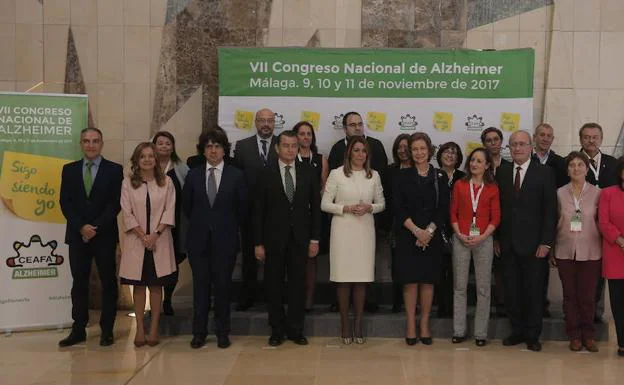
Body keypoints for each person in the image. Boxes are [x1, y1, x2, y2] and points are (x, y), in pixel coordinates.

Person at [254, 131, 321, 346]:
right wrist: (258, 243)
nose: (291, 149)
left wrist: (315, 239)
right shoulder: (265, 173)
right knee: (273, 286)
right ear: (277, 148)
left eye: (294, 146)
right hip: (273, 240)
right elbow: (258, 211)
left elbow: (316, 210)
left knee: (297, 286)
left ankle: (295, 329)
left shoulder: (308, 171)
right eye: (286, 146)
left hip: (300, 239)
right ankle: (276, 330)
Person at [59, 127, 123, 348]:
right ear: (81, 144)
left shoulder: (115, 170)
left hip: (104, 235)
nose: (91, 145)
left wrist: (94, 227)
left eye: (95, 141)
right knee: (79, 283)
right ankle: (78, 329)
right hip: (77, 237)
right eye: (86, 141)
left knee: (108, 283)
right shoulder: (69, 170)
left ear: (102, 144)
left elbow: (115, 204)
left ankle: (107, 330)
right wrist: (81, 227)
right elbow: (65, 203)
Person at [183, 129, 247, 349]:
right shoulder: (193, 174)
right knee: (200, 288)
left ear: (224, 149)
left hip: (226, 241)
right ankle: (199, 332)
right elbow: (188, 207)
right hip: (198, 241)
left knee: (223, 288)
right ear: (203, 150)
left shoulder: (236, 175)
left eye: (217, 146)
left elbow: (242, 210)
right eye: (209, 146)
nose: (213, 150)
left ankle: (222, 332)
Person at [496, 130, 557, 352]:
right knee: (512, 291)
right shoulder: (501, 172)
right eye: (513, 145)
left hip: (535, 246)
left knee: (533, 291)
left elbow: (551, 211)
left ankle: (533, 335)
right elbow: (498, 209)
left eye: (522, 144)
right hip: (508, 243)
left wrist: (546, 242)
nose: (518, 148)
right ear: (509, 148)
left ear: (531, 147)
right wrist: (496, 239)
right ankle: (517, 331)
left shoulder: (545, 173)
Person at [321, 136, 385, 344]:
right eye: (356, 150)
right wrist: (345, 208)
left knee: (361, 279)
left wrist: (370, 207)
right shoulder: (336, 174)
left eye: (363, 151)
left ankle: (358, 324)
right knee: (343, 278)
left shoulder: (373, 175)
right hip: (342, 230)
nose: (360, 154)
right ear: (349, 152)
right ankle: (344, 323)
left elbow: (382, 203)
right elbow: (325, 204)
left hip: (365, 230)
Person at [327, 111, 388, 313]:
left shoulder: (376, 146)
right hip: (343, 224)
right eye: (352, 124)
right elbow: (329, 195)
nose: (357, 127)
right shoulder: (337, 150)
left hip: (367, 222)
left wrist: (371, 207)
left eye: (360, 124)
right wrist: (346, 207)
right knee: (343, 271)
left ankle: (367, 302)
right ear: (344, 128)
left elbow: (381, 186)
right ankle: (341, 304)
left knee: (366, 268)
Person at [393, 132, 449, 346]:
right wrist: (417, 231)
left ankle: (424, 324)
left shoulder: (440, 176)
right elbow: (398, 208)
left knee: (427, 280)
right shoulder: (401, 176)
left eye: (422, 149)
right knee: (410, 280)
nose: (418, 153)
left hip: (431, 236)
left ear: (429, 150)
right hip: (408, 234)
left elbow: (443, 208)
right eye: (414, 149)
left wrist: (429, 231)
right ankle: (410, 324)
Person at [119, 142, 177, 347]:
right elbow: (126, 212)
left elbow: (169, 210)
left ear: (156, 159)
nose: (147, 159)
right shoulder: (128, 183)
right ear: (137, 160)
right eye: (142, 156)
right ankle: (140, 331)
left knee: (155, 285)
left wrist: (155, 235)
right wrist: (143, 235)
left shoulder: (166, 182)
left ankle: (153, 330)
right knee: (139, 285)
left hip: (159, 241)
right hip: (137, 241)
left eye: (150, 156)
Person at [450, 147, 500, 347]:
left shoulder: (492, 188)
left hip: (484, 240)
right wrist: (458, 233)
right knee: (460, 287)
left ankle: (480, 333)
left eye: (479, 161)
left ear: (487, 165)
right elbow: (452, 213)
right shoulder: (460, 185)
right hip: (461, 239)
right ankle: (459, 330)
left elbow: (496, 217)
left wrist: (482, 237)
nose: (474, 164)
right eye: (472, 160)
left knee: (483, 288)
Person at [553, 152, 602, 352]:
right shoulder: (559, 193)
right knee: (570, 296)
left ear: (587, 168)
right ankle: (574, 335)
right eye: (571, 165)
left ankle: (588, 335)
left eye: (580, 164)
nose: (576, 168)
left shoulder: (598, 193)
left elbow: (601, 222)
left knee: (588, 296)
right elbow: (554, 221)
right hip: (565, 250)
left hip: (591, 251)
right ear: (567, 170)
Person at [234, 108, 278, 310]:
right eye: (262, 120)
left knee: (276, 258)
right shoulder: (242, 147)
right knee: (250, 257)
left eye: (270, 120)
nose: (266, 124)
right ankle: (247, 296)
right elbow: (238, 180)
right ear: (256, 122)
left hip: (276, 213)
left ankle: (273, 296)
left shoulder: (283, 144)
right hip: (250, 212)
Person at [579, 122, 618, 322]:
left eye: (595, 137)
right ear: (581, 140)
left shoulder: (613, 163)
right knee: (581, 270)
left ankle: (596, 311)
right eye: (587, 137)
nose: (591, 140)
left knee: (600, 269)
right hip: (579, 226)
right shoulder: (573, 162)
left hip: (606, 226)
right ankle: (580, 312)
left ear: (601, 139)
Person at [292, 121, 329, 312]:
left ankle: (308, 301)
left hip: (313, 216)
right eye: (302, 134)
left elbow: (324, 188)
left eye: (309, 134)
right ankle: (294, 299)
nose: (306, 137)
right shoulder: (289, 158)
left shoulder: (320, 159)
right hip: (292, 217)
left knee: (310, 261)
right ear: (295, 136)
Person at [152, 131, 189, 316]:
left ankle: (167, 299)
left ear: (173, 147)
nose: (164, 146)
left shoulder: (181, 168)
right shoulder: (147, 165)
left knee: (172, 263)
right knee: (153, 263)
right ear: (154, 146)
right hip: (151, 226)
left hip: (175, 225)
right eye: (160, 143)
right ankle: (155, 301)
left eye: (168, 143)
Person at [481, 126, 509, 317]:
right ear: (484, 144)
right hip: (482, 226)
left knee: (504, 268)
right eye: (488, 140)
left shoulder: (510, 166)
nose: (492, 143)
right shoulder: (480, 167)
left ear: (501, 142)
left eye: (495, 139)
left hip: (506, 225)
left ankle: (504, 304)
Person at [435, 141, 465, 318]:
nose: (450, 155)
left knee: (456, 271)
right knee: (439, 269)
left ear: (459, 158)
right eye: (446, 151)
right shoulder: (433, 175)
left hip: (458, 229)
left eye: (454, 152)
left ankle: (454, 307)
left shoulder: (463, 177)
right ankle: (441, 306)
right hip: (437, 228)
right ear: (440, 155)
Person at [598, 157, 624, 357]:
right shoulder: (607, 193)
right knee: (618, 301)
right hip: (616, 252)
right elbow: (604, 222)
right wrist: (621, 241)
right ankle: (622, 343)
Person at [385, 134, 412, 313]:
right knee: (397, 264)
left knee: (414, 264)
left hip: (418, 226)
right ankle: (397, 301)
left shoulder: (421, 169)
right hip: (396, 225)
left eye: (405, 147)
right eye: (399, 147)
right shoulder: (390, 170)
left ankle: (413, 302)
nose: (402, 150)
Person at [532, 123, 568, 188]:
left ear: (552, 139)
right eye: (542, 135)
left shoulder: (561, 162)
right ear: (534, 137)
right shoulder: (525, 159)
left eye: (549, 136)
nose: (545, 139)